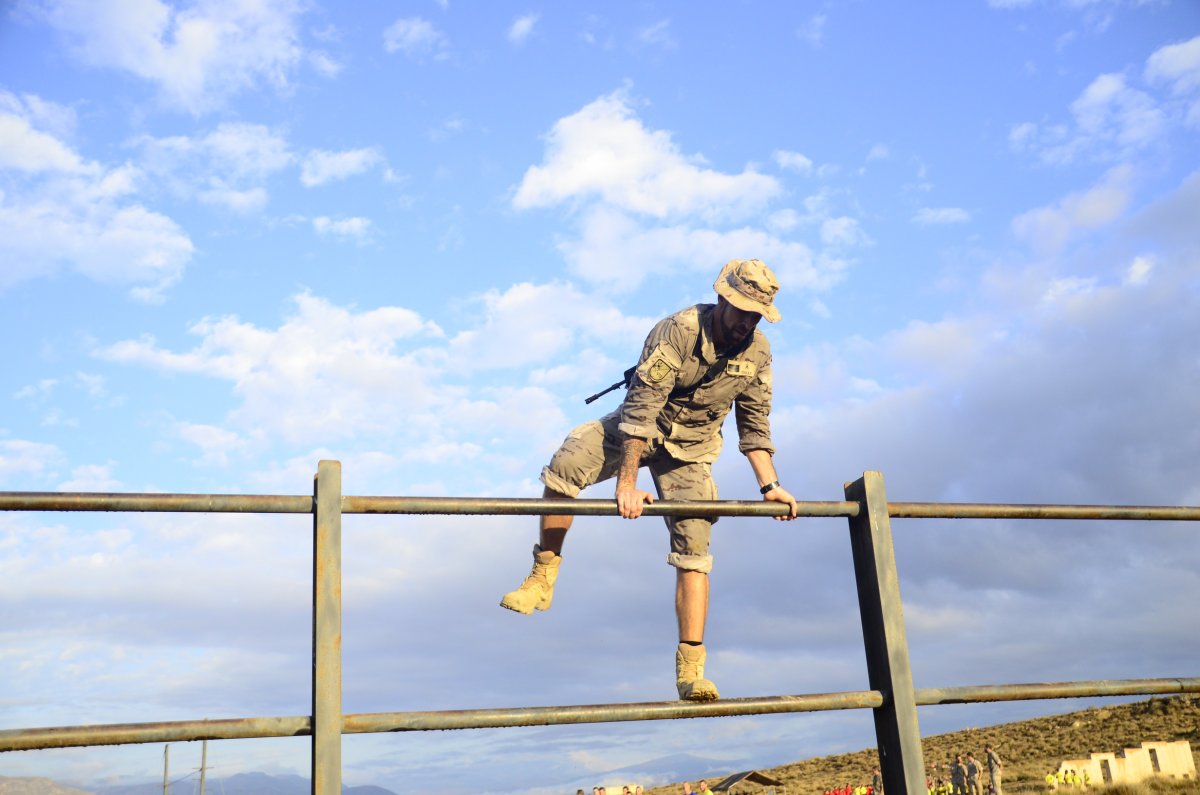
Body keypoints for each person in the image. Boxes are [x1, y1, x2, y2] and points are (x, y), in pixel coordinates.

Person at [499, 259, 799, 699]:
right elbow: (640, 412)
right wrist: (625, 485)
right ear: (722, 300)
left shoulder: (758, 351)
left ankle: (691, 673)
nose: (747, 323)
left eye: (757, 316)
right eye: (742, 311)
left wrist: (770, 486)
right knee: (567, 463)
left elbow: (754, 424)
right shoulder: (678, 330)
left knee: (695, 547)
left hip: (692, 448)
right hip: (639, 428)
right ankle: (542, 577)